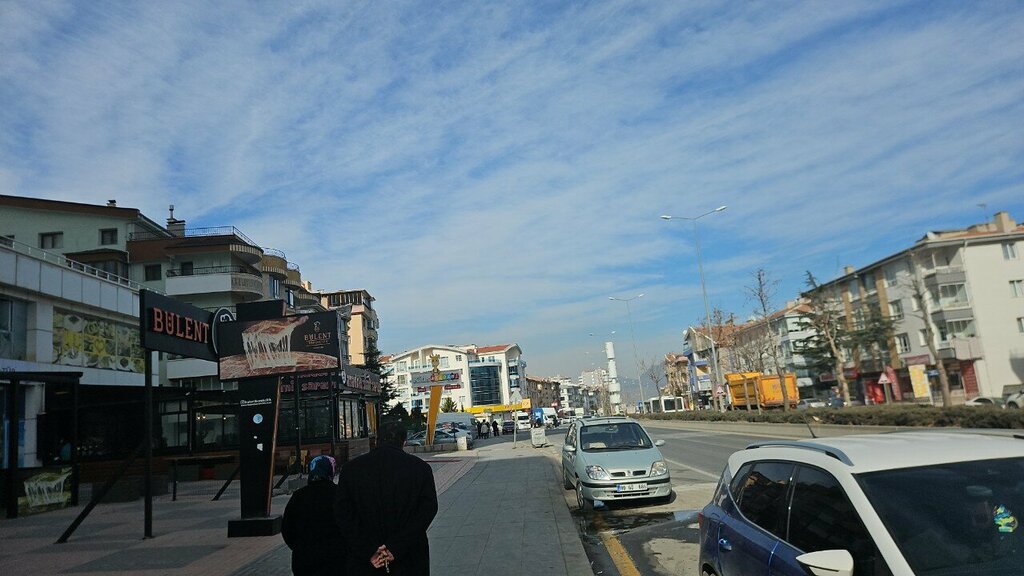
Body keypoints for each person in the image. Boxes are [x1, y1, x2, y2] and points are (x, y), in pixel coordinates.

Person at [335, 421, 438, 575]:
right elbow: (427, 511)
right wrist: (396, 546)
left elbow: (343, 514)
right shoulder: (420, 469)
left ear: (377, 440)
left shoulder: (351, 470)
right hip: (410, 558)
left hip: (365, 562)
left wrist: (368, 550)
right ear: (404, 441)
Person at [281, 455, 345, 576]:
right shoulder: (339, 495)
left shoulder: (299, 496)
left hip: (305, 560)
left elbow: (287, 529)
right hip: (336, 558)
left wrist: (300, 547)